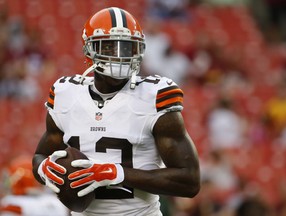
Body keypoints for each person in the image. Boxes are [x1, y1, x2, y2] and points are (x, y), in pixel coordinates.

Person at [32, 7, 200, 216]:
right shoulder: (67, 94)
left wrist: (116, 173)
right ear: (89, 50)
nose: (120, 56)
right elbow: (40, 155)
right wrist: (44, 169)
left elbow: (189, 181)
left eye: (127, 48)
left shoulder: (153, 96)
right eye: (110, 47)